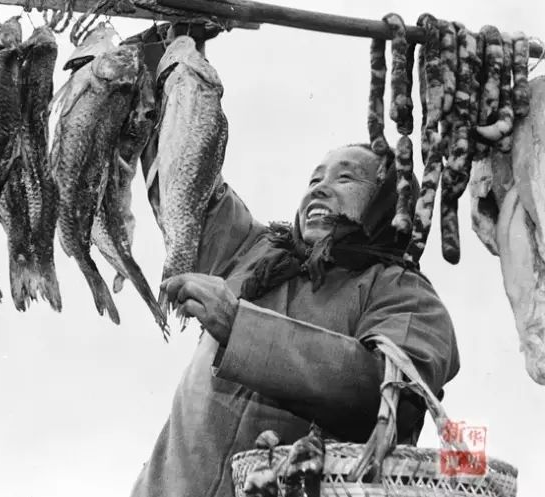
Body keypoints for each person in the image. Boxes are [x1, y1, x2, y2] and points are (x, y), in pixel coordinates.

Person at [129, 144, 460, 497]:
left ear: (387, 202)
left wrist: (241, 328)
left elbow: (393, 391)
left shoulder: (404, 291)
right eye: (314, 180)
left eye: (345, 178)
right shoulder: (253, 251)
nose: (320, 188)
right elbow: (186, 173)